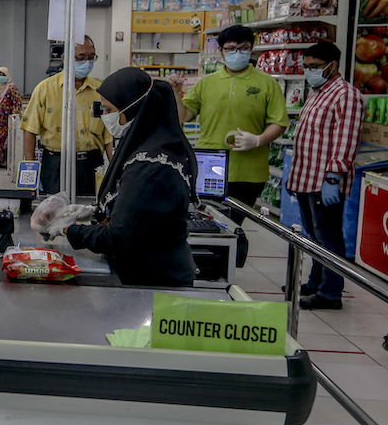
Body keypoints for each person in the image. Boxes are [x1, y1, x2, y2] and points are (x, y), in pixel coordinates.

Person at [61, 68, 198, 286]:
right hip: (143, 270)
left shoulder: (150, 167)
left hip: (155, 281)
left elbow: (119, 237)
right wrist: (97, 212)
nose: (104, 116)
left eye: (108, 109)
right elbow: (134, 211)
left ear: (133, 108)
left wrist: (67, 229)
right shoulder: (146, 143)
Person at [167, 25, 288, 224]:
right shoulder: (207, 83)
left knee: (235, 225)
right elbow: (183, 116)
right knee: (207, 223)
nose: (237, 53)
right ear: (221, 51)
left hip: (249, 171)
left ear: (251, 50)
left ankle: (236, 255)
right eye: (231, 48)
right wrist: (176, 93)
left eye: (244, 48)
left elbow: (279, 122)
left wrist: (258, 139)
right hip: (209, 165)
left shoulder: (267, 83)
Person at [286, 42, 363, 311]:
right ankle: (316, 281)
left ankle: (331, 293)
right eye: (306, 66)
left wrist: (334, 176)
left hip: (324, 181)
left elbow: (347, 139)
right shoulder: (317, 92)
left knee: (328, 238)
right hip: (307, 177)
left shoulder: (346, 95)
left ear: (332, 65)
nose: (310, 72)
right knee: (314, 236)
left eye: (315, 67)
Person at [21, 36, 113, 196]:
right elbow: (30, 130)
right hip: (55, 164)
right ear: (65, 58)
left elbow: (108, 137)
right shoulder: (45, 90)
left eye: (91, 57)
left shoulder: (101, 92)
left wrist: (115, 172)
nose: (87, 62)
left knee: (90, 213)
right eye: (81, 57)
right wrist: (30, 173)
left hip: (90, 165)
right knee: (52, 215)